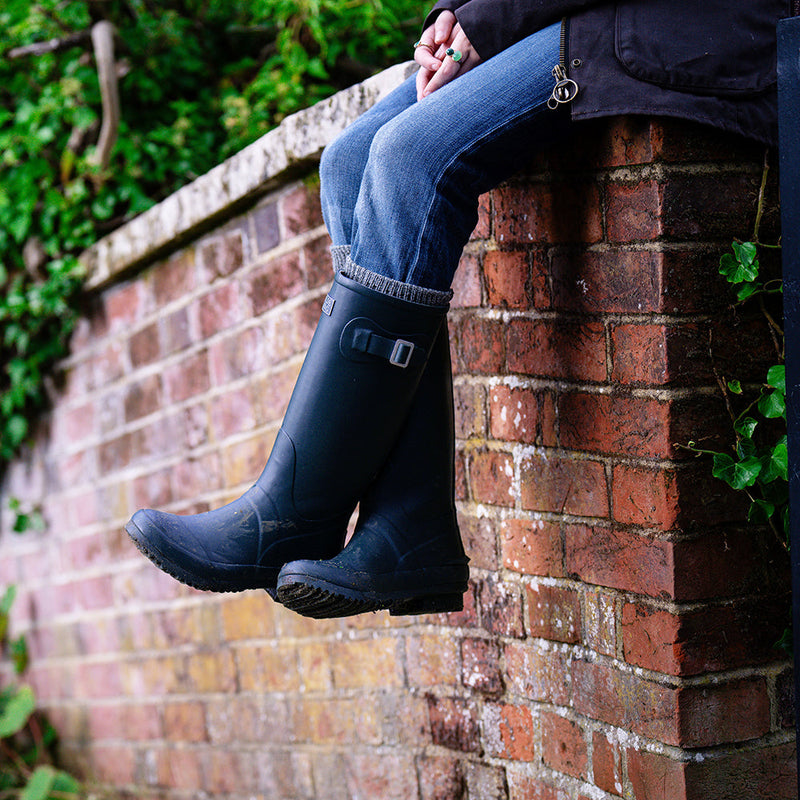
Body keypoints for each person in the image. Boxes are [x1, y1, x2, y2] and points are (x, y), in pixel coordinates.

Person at [126, 0, 789, 619]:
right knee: (350, 160)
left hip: (681, 20)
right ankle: (408, 525)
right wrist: (454, 13)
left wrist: (490, 17)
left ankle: (292, 515)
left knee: (408, 156)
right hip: (563, 14)